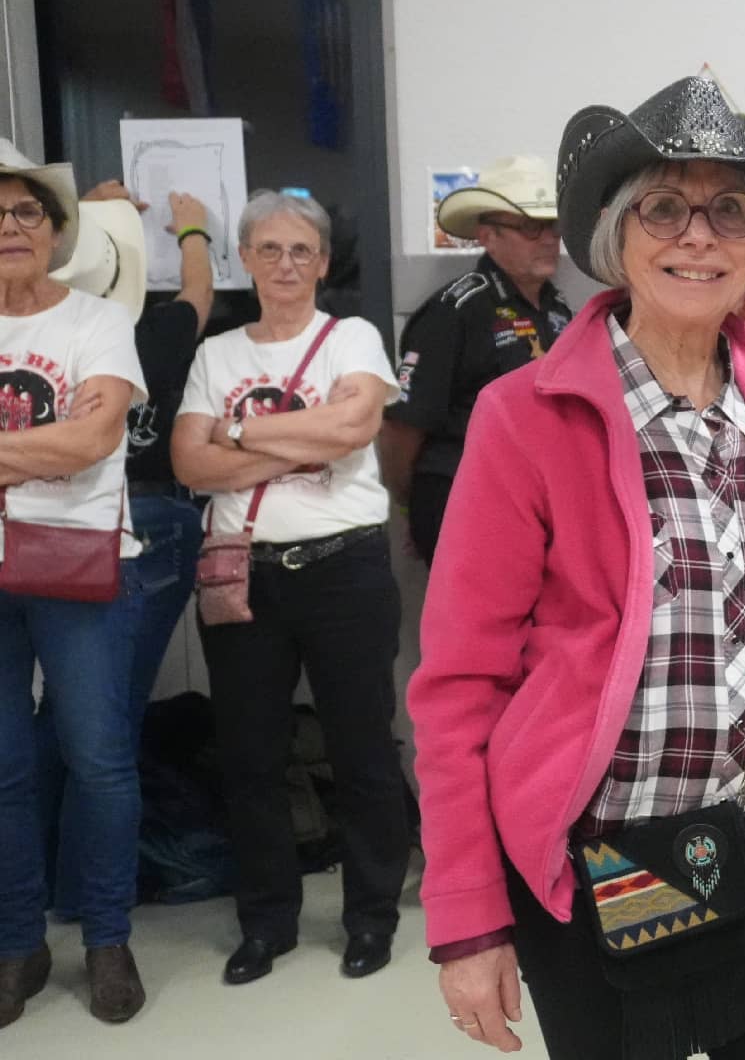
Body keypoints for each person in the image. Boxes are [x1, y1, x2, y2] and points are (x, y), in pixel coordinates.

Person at [410, 76, 745, 1060]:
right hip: (597, 870)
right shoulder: (523, 417)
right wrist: (469, 919)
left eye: (731, 210)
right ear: (616, 234)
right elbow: (457, 687)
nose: (699, 234)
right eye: (665, 206)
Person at [171, 188, 411, 986]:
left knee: (362, 749)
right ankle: (265, 922)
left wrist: (236, 431)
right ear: (245, 258)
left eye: (300, 249)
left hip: (345, 570)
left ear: (322, 260)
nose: (285, 263)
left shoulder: (353, 339)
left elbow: (350, 430)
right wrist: (299, 446)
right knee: (250, 758)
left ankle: (370, 916)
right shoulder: (217, 353)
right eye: (269, 249)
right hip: (245, 574)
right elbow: (188, 466)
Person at [35, 181, 214, 920]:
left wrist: (104, 212)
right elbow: (200, 291)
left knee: (64, 725)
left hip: (57, 522)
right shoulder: (158, 331)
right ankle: (78, 893)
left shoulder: (49, 338)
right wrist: (192, 230)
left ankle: (50, 884)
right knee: (104, 724)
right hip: (156, 522)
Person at [0, 141, 149, 1027]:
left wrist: (60, 445)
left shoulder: (97, 321)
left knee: (99, 762)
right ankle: (18, 943)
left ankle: (107, 938)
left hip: (79, 560)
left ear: (55, 232)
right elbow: (61, 439)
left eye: (25, 213)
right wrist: (39, 450)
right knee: (3, 769)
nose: (10, 228)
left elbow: (92, 443)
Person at [380, 155, 571, 561]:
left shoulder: (560, 310)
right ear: (488, 236)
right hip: (464, 497)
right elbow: (403, 428)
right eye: (530, 226)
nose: (549, 238)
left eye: (553, 226)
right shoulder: (455, 312)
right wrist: (409, 506)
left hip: (540, 500)